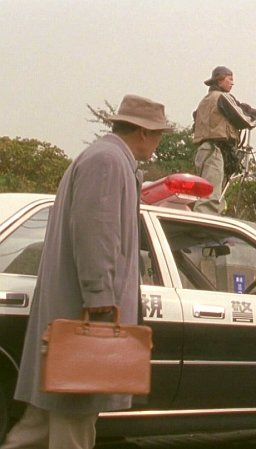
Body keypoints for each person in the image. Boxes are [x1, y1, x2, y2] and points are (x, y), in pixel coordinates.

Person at [0, 95, 172, 449]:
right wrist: (100, 299)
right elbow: (97, 234)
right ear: (143, 132)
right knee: (73, 421)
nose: (158, 143)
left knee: (40, 426)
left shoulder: (104, 158)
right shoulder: (108, 161)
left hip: (72, 310)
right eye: (158, 134)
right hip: (85, 312)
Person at [192, 66, 256, 215]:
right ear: (220, 80)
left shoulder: (205, 100)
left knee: (208, 192)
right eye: (230, 79)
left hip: (204, 150)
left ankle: (208, 221)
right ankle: (204, 225)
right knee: (211, 197)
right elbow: (242, 119)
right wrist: (253, 117)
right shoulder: (222, 97)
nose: (232, 83)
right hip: (215, 150)